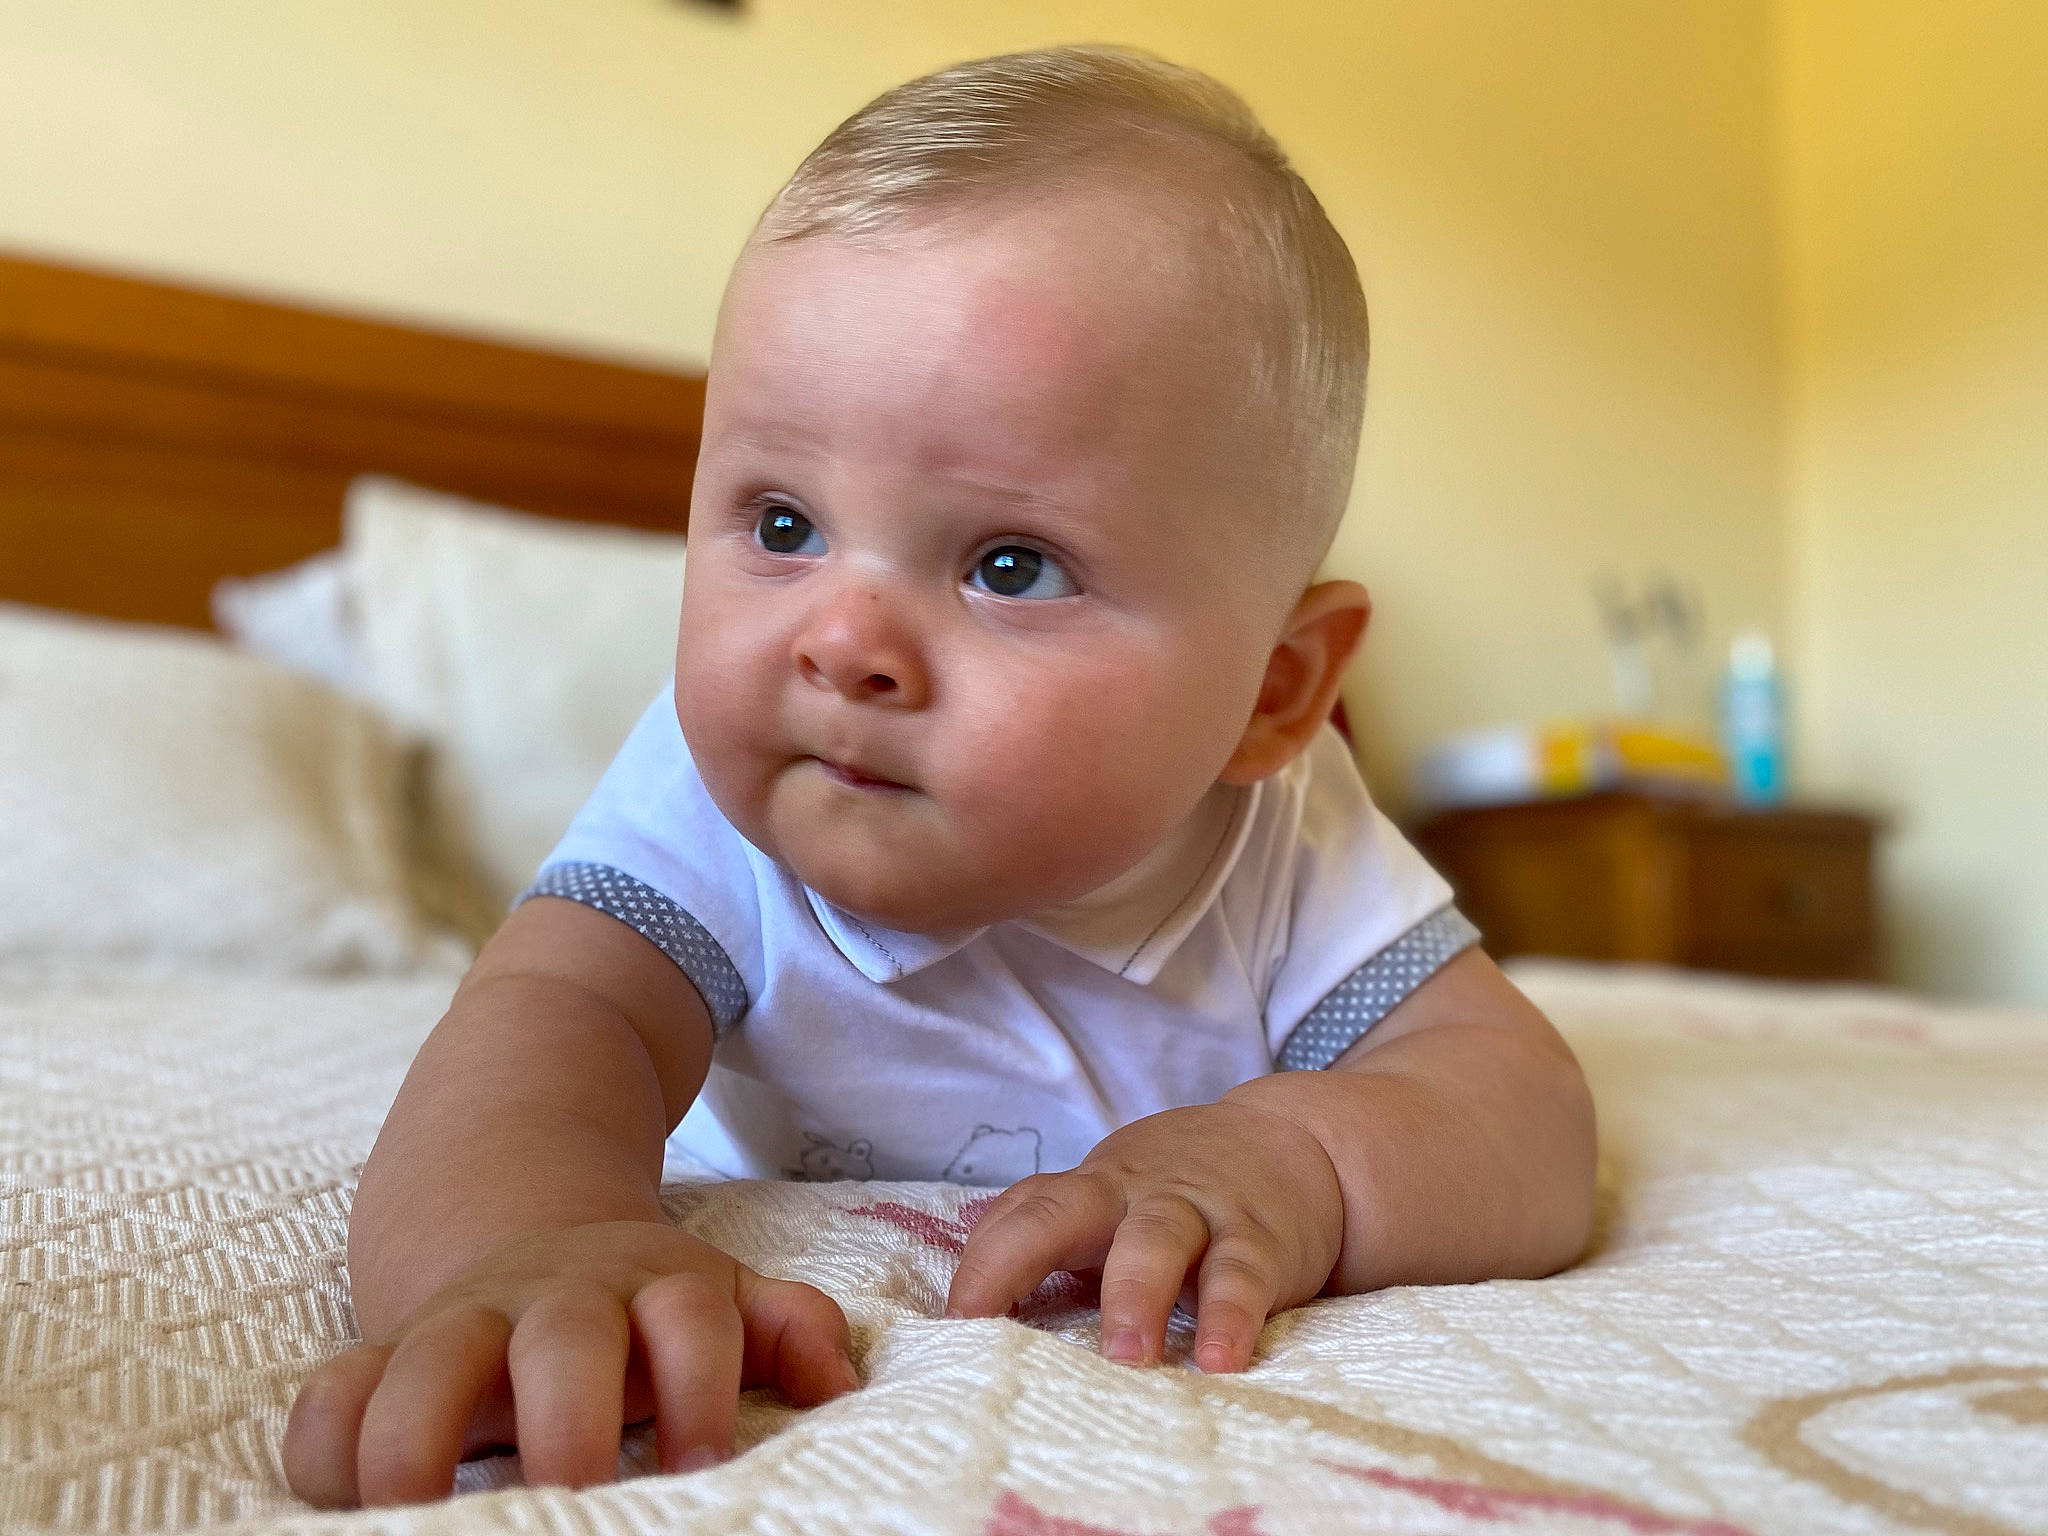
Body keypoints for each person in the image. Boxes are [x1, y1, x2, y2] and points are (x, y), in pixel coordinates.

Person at [284, 45, 1596, 1509]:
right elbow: (548, 1023)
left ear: (1273, 693)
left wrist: (1292, 1157)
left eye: (1009, 564)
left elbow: (1521, 1108)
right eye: (780, 525)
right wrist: (519, 1244)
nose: (842, 643)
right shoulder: (714, 795)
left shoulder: (1280, 834)